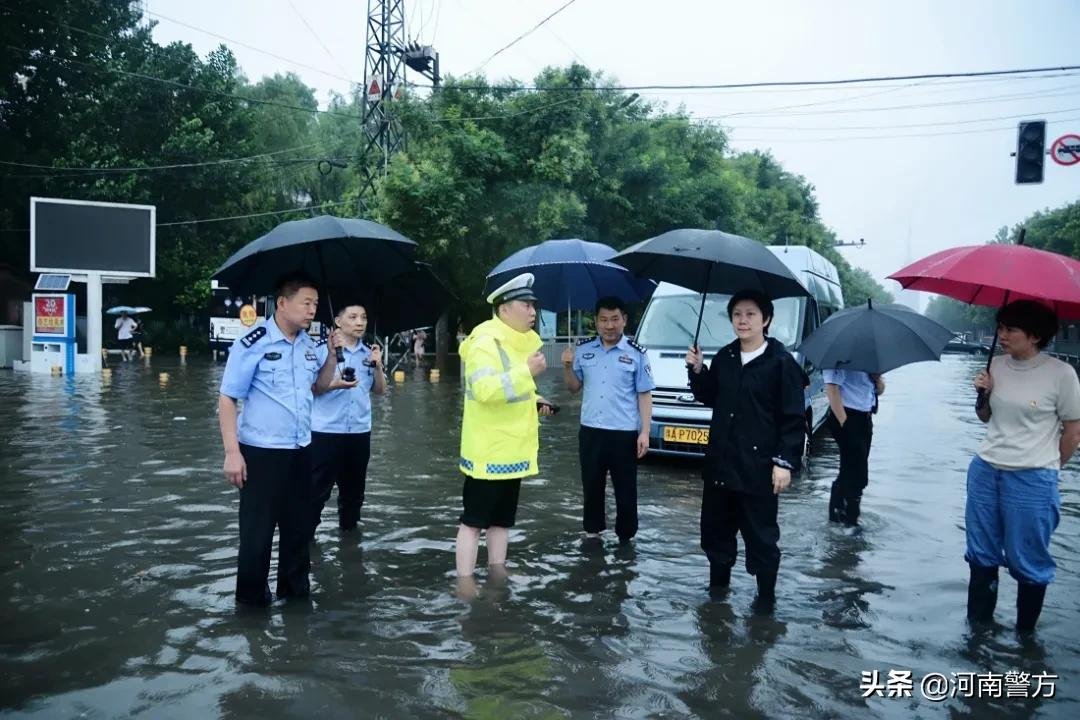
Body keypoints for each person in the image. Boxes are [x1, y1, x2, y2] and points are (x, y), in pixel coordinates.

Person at [217, 272, 347, 606]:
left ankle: (295, 597)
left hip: (301, 450)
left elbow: (317, 388)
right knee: (257, 535)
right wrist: (232, 452)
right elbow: (228, 398)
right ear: (282, 303)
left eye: (316, 304)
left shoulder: (310, 345)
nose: (312, 311)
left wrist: (332, 356)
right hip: (261, 453)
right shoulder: (253, 342)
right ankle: (250, 606)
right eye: (306, 303)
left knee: (299, 530)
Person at [686, 289, 806, 612]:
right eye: (737, 314)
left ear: (766, 319)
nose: (743, 320)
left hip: (758, 471)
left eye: (751, 314)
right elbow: (712, 396)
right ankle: (717, 603)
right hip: (721, 467)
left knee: (762, 541)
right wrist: (698, 371)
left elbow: (794, 419)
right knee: (716, 538)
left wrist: (784, 463)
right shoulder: (725, 357)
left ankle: (765, 607)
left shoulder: (782, 363)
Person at [966, 299, 1080, 634]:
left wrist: (1047, 468)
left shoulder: (1062, 374)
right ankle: (978, 634)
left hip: (1033, 479)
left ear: (1034, 335)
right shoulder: (996, 366)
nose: (1001, 335)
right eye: (1000, 328)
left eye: (1010, 329)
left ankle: (1025, 640)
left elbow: (1073, 431)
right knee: (981, 554)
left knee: (1027, 560)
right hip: (986, 470)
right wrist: (982, 393)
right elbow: (985, 417)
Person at [455, 272, 554, 579]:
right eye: (526, 304)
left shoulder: (519, 343)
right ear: (504, 308)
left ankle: (498, 573)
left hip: (512, 450)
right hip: (488, 452)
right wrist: (527, 372)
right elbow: (484, 390)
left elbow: (510, 389)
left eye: (534, 305)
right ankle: (465, 582)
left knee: (502, 521)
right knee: (473, 522)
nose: (533, 311)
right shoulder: (485, 342)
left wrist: (535, 399)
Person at [561, 296, 655, 545]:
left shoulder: (636, 354)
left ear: (624, 320)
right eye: (604, 320)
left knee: (626, 491)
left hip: (623, 433)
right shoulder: (583, 350)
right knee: (591, 486)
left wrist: (645, 432)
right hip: (591, 431)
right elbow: (573, 388)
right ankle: (592, 534)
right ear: (596, 322)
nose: (609, 325)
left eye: (615, 319)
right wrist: (568, 367)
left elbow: (644, 394)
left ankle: (626, 539)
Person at [310, 302, 386, 536]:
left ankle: (350, 541)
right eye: (352, 317)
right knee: (316, 492)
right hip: (325, 432)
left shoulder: (369, 353)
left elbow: (380, 390)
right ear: (338, 321)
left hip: (359, 432)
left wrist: (378, 365)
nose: (360, 322)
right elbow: (311, 388)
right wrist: (335, 384)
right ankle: (306, 540)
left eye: (363, 317)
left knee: (354, 494)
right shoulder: (322, 350)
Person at [824, 368, 885, 527]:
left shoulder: (870, 358)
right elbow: (831, 389)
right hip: (846, 417)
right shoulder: (840, 356)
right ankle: (851, 520)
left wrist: (877, 379)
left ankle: (837, 515)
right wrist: (844, 422)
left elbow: (880, 390)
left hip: (865, 418)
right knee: (858, 473)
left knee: (851, 468)